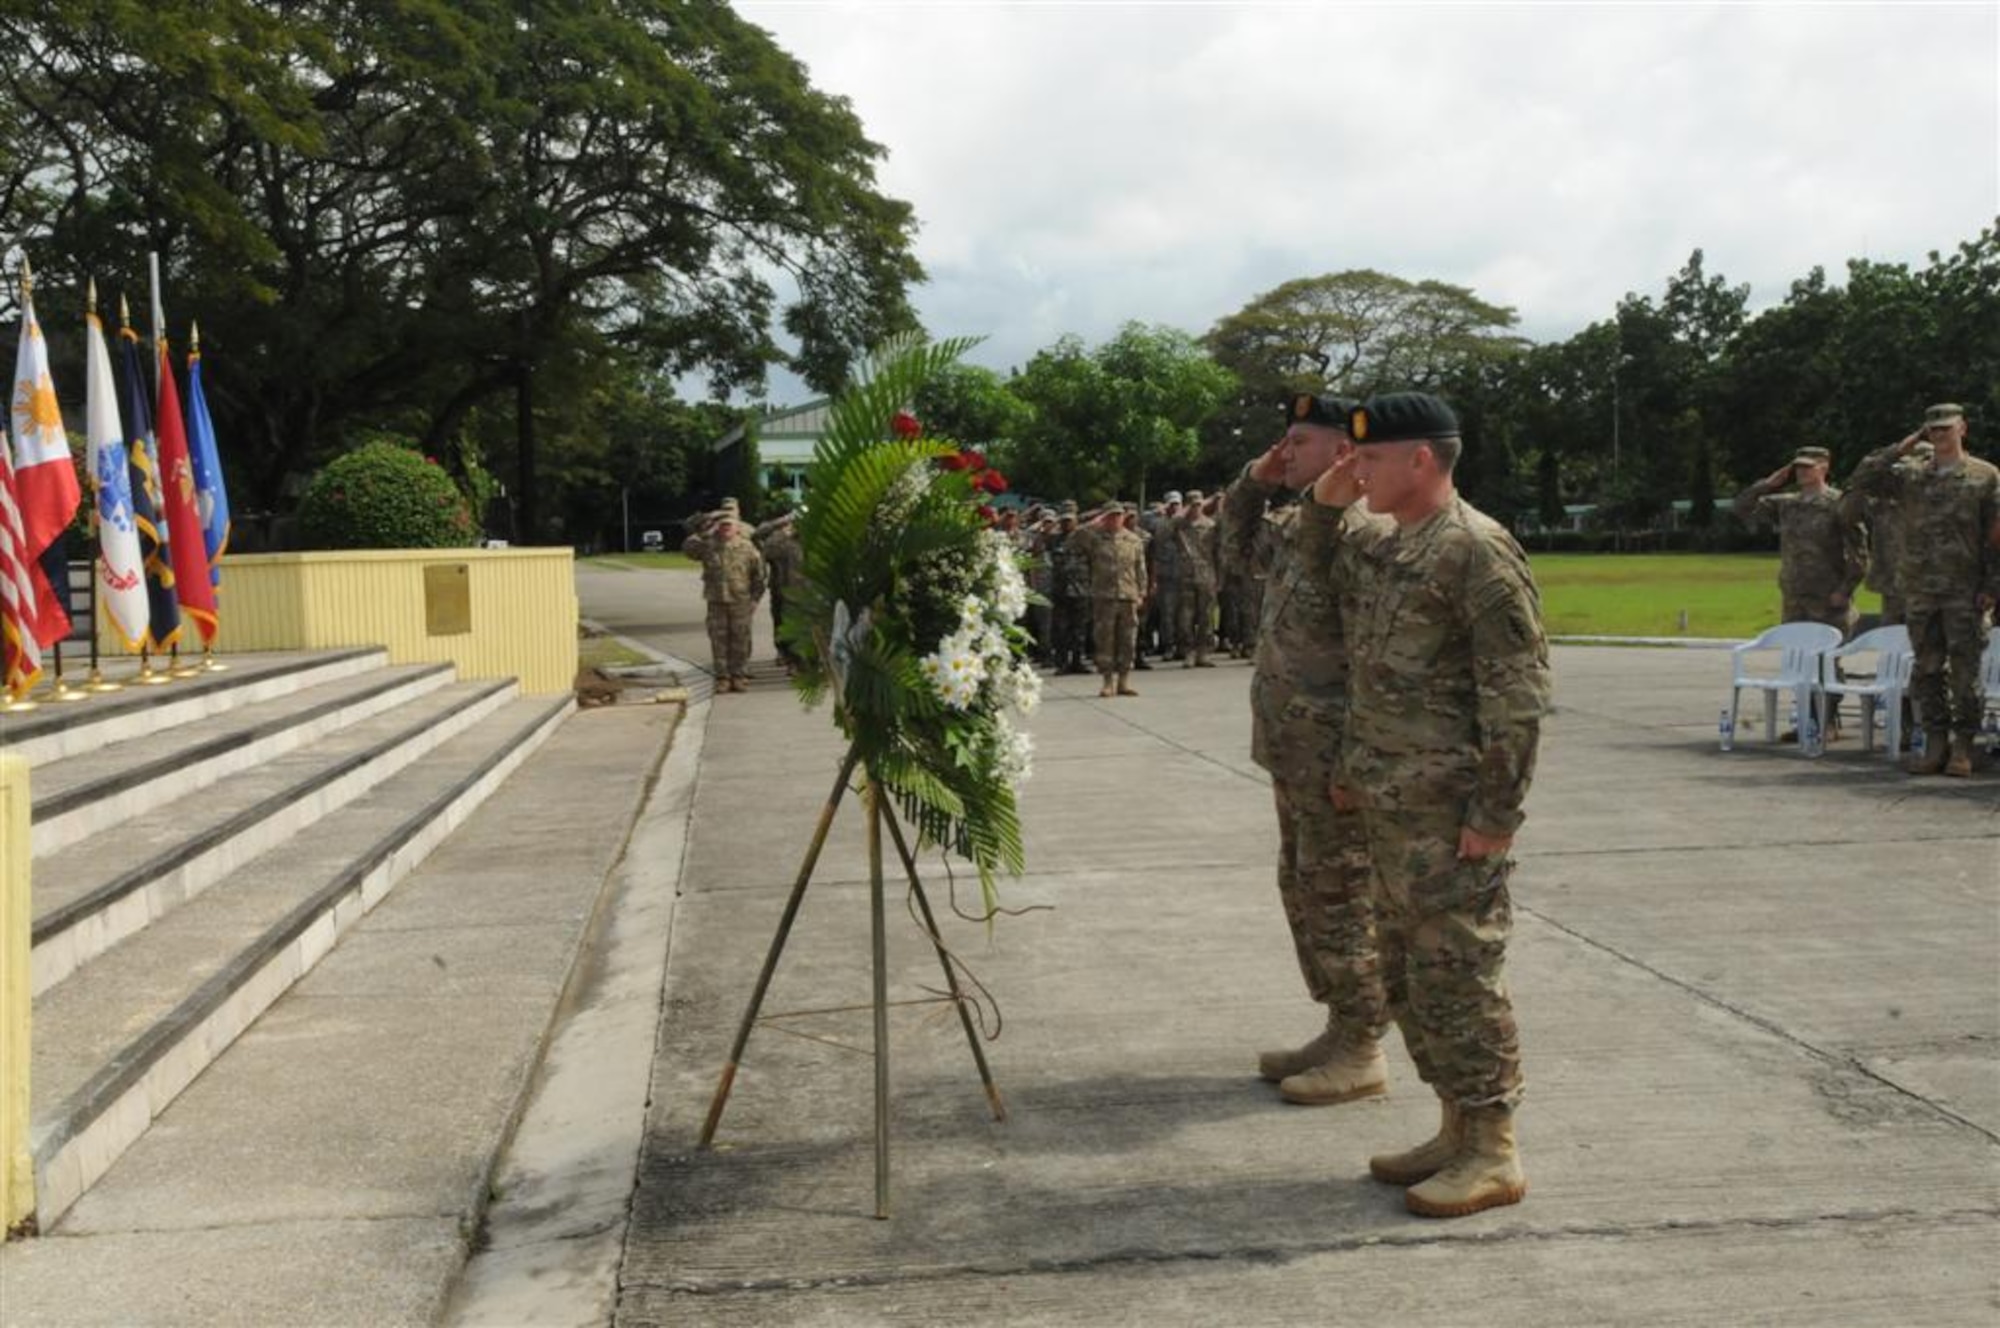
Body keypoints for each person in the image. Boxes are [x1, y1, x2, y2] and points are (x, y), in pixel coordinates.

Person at [1309, 391, 1551, 1218]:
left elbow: (1517, 697)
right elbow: (1364, 665)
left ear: (1422, 460)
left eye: (1371, 458)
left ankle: (1494, 1148)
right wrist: (1351, 766)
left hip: (1450, 818)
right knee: (1410, 977)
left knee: (1462, 975)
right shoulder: (1392, 544)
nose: (1355, 467)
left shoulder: (1476, 552)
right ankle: (1454, 1128)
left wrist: (1495, 814)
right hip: (1388, 807)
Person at [1223, 393, 1389, 1106]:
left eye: (1299, 443)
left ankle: (1362, 1044)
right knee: (1303, 887)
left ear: (1343, 453)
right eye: (1282, 442)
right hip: (1296, 750)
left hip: (1337, 761)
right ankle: (1340, 1022)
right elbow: (1230, 550)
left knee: (1341, 894)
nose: (1285, 453)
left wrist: (1357, 760)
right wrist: (1256, 481)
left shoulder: (1362, 534)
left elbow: (1379, 660)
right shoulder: (1300, 527)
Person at [1848, 403, 2000, 777]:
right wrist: (1901, 448)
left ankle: (1963, 746)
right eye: (1932, 429)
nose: (1940, 435)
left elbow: (1995, 538)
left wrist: (1992, 586)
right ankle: (1935, 743)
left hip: (1964, 590)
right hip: (1919, 589)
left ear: (1962, 428)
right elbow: (1863, 479)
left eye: (1946, 428)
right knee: (1927, 670)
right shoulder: (1912, 476)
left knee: (1965, 673)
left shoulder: (1985, 476)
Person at [1732, 445, 1867, 734]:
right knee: (1799, 661)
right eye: (1798, 467)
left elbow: (1859, 552)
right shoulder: (1787, 503)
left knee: (1827, 662)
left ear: (1824, 467)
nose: (1802, 472)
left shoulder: (1838, 503)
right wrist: (1768, 484)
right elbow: (1741, 507)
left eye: (1809, 466)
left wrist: (1846, 589)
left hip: (1829, 597)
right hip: (1795, 595)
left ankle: (1827, 721)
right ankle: (1808, 719)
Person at [681, 498, 767, 693]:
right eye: (723, 525)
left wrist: (754, 600)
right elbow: (687, 548)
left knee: (740, 639)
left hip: (741, 601)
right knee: (718, 640)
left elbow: (759, 577)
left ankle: (739, 675)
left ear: (737, 527)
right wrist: (706, 527)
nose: (726, 528)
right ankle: (723, 677)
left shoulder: (747, 548)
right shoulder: (707, 545)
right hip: (716, 600)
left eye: (729, 525)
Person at [1084, 503, 1147, 697]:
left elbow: (1140, 568)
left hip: (1128, 595)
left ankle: (1124, 681)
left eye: (1119, 515)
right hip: (1104, 596)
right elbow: (1072, 540)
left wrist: (1141, 593)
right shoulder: (1094, 538)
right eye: (1111, 516)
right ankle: (1107, 681)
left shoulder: (1134, 540)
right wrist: (1093, 523)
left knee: (1128, 640)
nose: (1115, 519)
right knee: (1105, 640)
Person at [1173, 490, 1220, 667]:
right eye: (1192, 505)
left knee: (1206, 616)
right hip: (1185, 576)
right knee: (1185, 617)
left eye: (1199, 505)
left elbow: (1218, 552)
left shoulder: (1211, 525)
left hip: (1207, 575)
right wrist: (1181, 513)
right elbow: (1162, 533)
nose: (1196, 508)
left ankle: (1203, 652)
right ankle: (1188, 651)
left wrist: (1219, 577)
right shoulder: (1179, 525)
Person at [753, 510, 803, 672]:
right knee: (782, 623)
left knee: (805, 626)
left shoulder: (811, 539)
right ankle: (786, 655)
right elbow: (758, 537)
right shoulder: (781, 540)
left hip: (808, 591)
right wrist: (782, 523)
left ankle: (801, 660)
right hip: (782, 588)